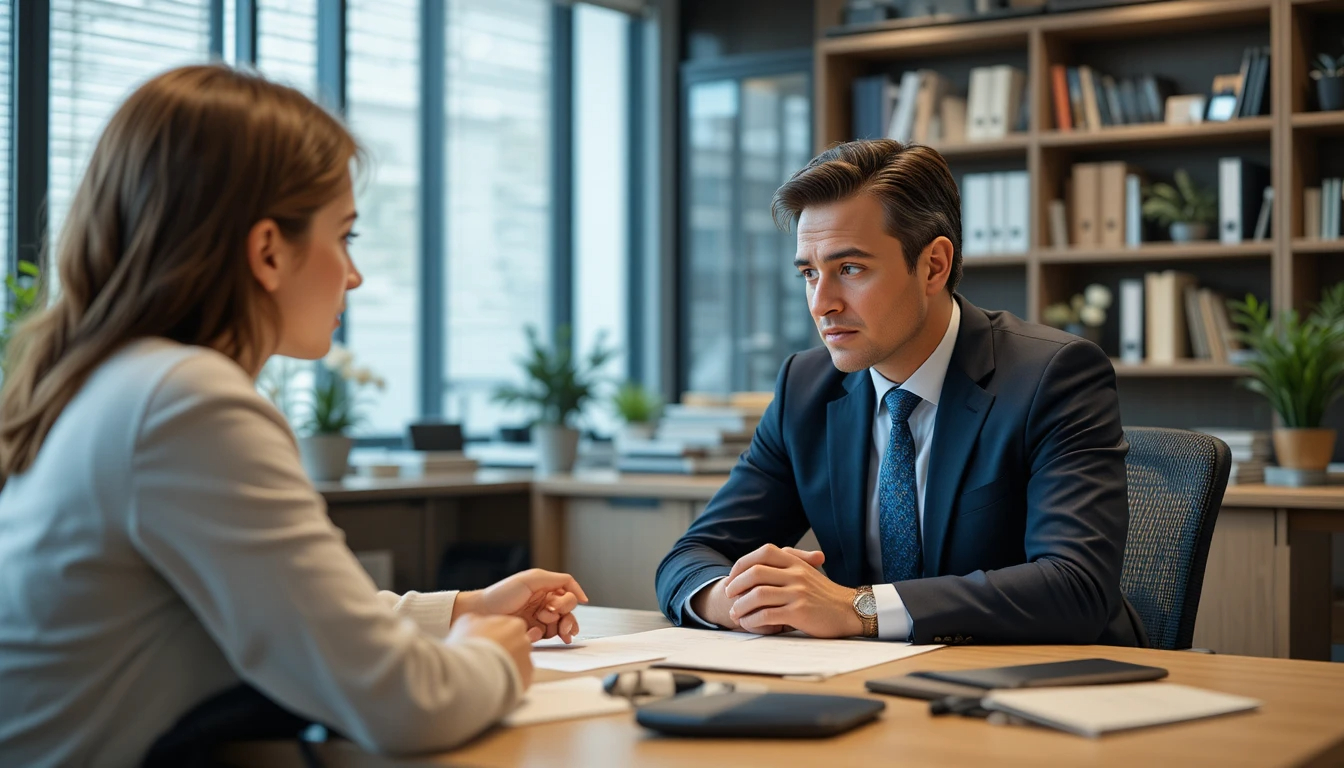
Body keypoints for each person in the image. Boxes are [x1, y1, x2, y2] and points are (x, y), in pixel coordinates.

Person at [0, 64, 586, 767]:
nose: (354, 274)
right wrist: (493, 659)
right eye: (345, 237)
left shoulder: (113, 381)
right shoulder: (186, 402)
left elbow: (288, 614)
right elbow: (403, 703)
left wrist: (464, 610)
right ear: (269, 250)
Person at [656, 139, 1145, 648]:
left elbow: (1076, 587)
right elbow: (690, 557)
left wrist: (855, 607)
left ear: (933, 265)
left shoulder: (1053, 376)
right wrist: (740, 601)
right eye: (808, 273)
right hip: (870, 687)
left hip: (1043, 689)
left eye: (850, 269)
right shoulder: (804, 388)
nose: (822, 304)